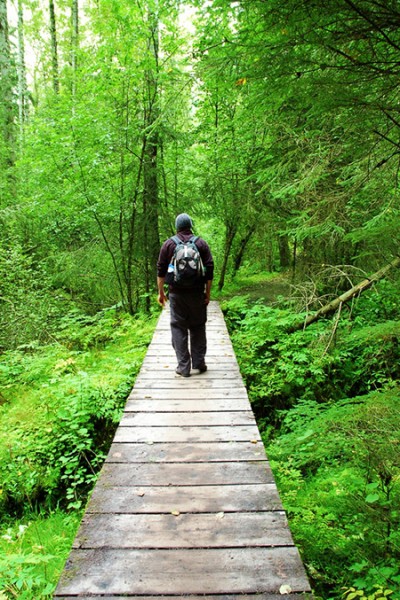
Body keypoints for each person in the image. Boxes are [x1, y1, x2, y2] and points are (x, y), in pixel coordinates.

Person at [157, 213, 214, 377]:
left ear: (177, 227)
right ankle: (199, 363)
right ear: (190, 226)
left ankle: (183, 367)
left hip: (176, 294)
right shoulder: (200, 243)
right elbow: (209, 269)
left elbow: (160, 270)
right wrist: (207, 293)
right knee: (198, 326)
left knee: (178, 327)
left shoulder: (169, 244)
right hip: (197, 293)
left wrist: (161, 293)